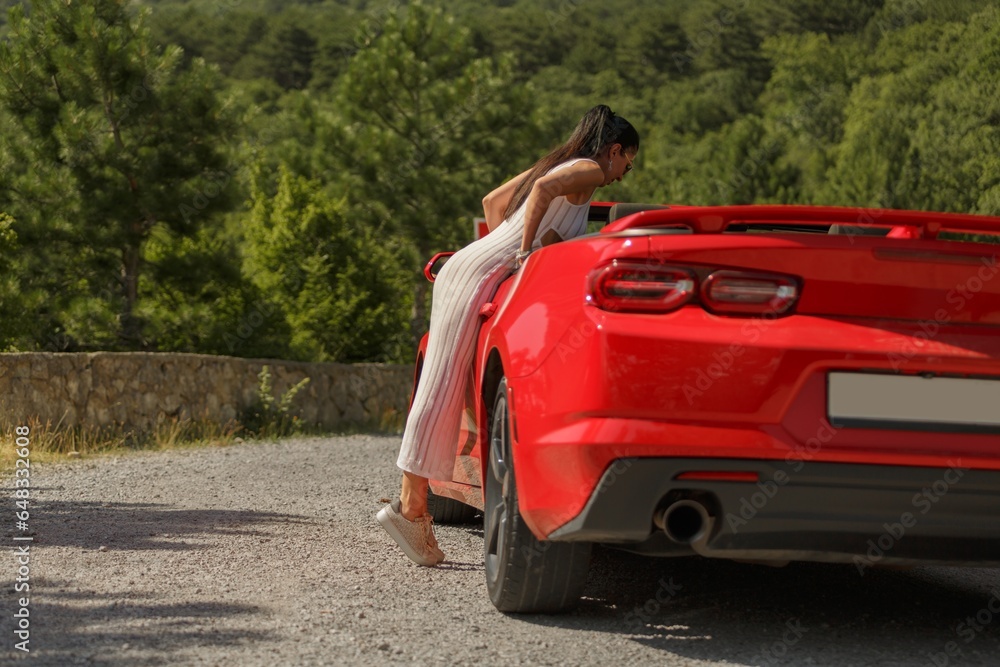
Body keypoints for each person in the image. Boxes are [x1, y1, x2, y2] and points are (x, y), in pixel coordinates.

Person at [377, 104, 640, 566]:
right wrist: (522, 253)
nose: (622, 175)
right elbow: (540, 192)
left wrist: (517, 244)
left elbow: (493, 203)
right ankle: (411, 509)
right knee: (442, 388)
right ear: (614, 150)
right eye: (628, 163)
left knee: (442, 384)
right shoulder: (588, 169)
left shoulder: (558, 160)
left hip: (470, 263)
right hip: (484, 270)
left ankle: (411, 507)